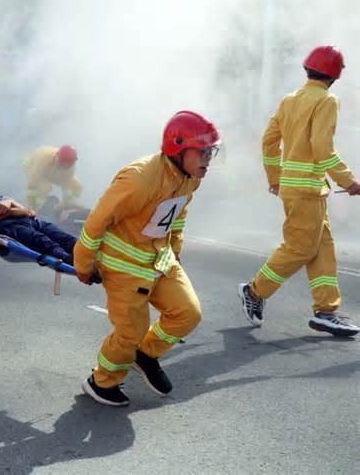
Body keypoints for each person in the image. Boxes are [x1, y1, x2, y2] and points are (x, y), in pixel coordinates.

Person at [75, 110, 221, 406]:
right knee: (131, 332)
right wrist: (84, 263)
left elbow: (178, 214)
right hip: (124, 265)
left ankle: (146, 354)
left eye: (212, 151)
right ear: (179, 148)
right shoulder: (140, 179)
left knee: (188, 313)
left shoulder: (190, 177)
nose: (208, 158)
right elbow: (96, 221)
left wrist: (175, 250)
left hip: (160, 259)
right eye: (203, 151)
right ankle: (101, 380)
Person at [237, 45, 360, 337]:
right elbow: (322, 148)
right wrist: (348, 181)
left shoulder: (290, 100)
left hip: (300, 189)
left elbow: (269, 141)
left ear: (308, 69)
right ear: (335, 75)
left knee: (322, 247)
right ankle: (254, 292)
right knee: (300, 248)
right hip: (307, 189)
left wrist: (274, 176)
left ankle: (326, 311)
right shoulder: (327, 100)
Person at [24, 145, 82, 210]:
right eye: (63, 165)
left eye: (68, 166)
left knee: (77, 186)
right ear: (57, 158)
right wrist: (31, 206)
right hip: (31, 165)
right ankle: (37, 209)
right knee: (45, 187)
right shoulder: (44, 158)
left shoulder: (70, 167)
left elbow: (66, 187)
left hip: (52, 170)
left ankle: (71, 209)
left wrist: (65, 208)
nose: (66, 168)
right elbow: (32, 186)